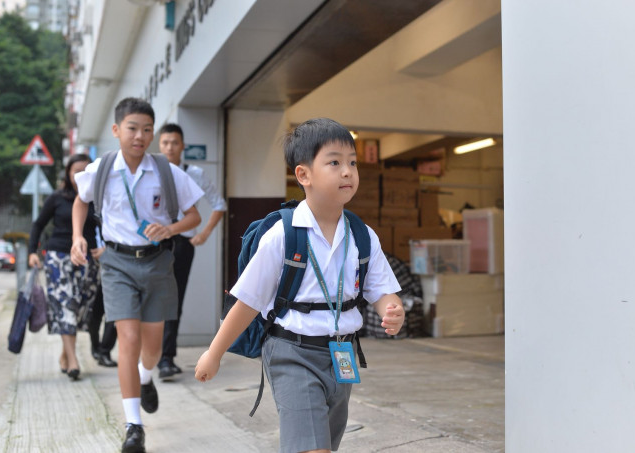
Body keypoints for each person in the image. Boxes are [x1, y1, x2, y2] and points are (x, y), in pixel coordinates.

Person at [195, 117, 405, 453]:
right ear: (303, 175)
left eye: (352, 162)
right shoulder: (283, 234)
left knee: (324, 446)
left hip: (342, 354)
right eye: (334, 162)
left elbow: (381, 289)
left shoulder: (363, 236)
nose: (347, 171)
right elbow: (248, 301)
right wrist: (214, 353)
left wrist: (392, 309)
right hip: (291, 352)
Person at [71, 97, 204, 453]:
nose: (140, 136)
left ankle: (146, 378)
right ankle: (134, 426)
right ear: (117, 130)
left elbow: (195, 217)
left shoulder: (165, 170)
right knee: (127, 339)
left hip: (158, 263)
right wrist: (77, 237)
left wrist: (170, 228)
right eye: (132, 128)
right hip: (116, 263)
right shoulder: (102, 168)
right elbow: (81, 199)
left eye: (147, 129)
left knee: (153, 347)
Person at [157, 123, 227, 380]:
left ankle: (166, 358)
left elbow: (219, 204)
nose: (169, 147)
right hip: (152, 244)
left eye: (174, 143)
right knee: (150, 299)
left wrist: (205, 233)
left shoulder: (193, 173)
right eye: (165, 143)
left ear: (182, 146)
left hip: (182, 244)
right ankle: (148, 354)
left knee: (173, 301)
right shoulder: (150, 171)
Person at [28, 153, 100, 381]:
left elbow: (110, 225)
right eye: (75, 171)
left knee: (80, 309)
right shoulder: (57, 198)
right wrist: (32, 252)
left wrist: (105, 247)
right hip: (57, 256)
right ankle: (74, 361)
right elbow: (38, 224)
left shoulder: (97, 198)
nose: (80, 175)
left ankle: (65, 354)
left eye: (85, 170)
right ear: (68, 174)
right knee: (64, 306)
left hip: (88, 260)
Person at [88, 226, 118, 367]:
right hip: (92, 270)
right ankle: (95, 346)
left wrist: (108, 250)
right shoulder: (85, 209)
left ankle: (105, 351)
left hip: (116, 267)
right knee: (94, 312)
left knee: (115, 313)